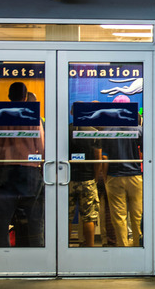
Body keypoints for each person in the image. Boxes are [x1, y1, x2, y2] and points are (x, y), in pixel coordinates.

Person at [0, 81, 45, 247]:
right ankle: (37, 251)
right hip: (30, 173)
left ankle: (4, 253)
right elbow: (41, 146)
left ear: (9, 97)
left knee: (3, 217)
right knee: (34, 217)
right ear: (25, 97)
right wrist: (38, 161)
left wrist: (0, 159)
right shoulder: (33, 117)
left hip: (5, 171)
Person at [102, 96, 144, 247]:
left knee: (119, 216)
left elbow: (105, 157)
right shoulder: (138, 129)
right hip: (136, 177)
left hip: (114, 177)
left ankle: (123, 247)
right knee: (137, 214)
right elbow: (145, 155)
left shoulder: (108, 130)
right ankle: (139, 246)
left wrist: (105, 177)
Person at [68, 102, 103, 247]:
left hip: (67, 180)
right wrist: (94, 178)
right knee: (89, 217)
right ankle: (89, 247)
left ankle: (66, 246)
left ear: (71, 113)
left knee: (67, 216)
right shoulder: (93, 131)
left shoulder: (65, 131)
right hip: (88, 178)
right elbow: (98, 157)